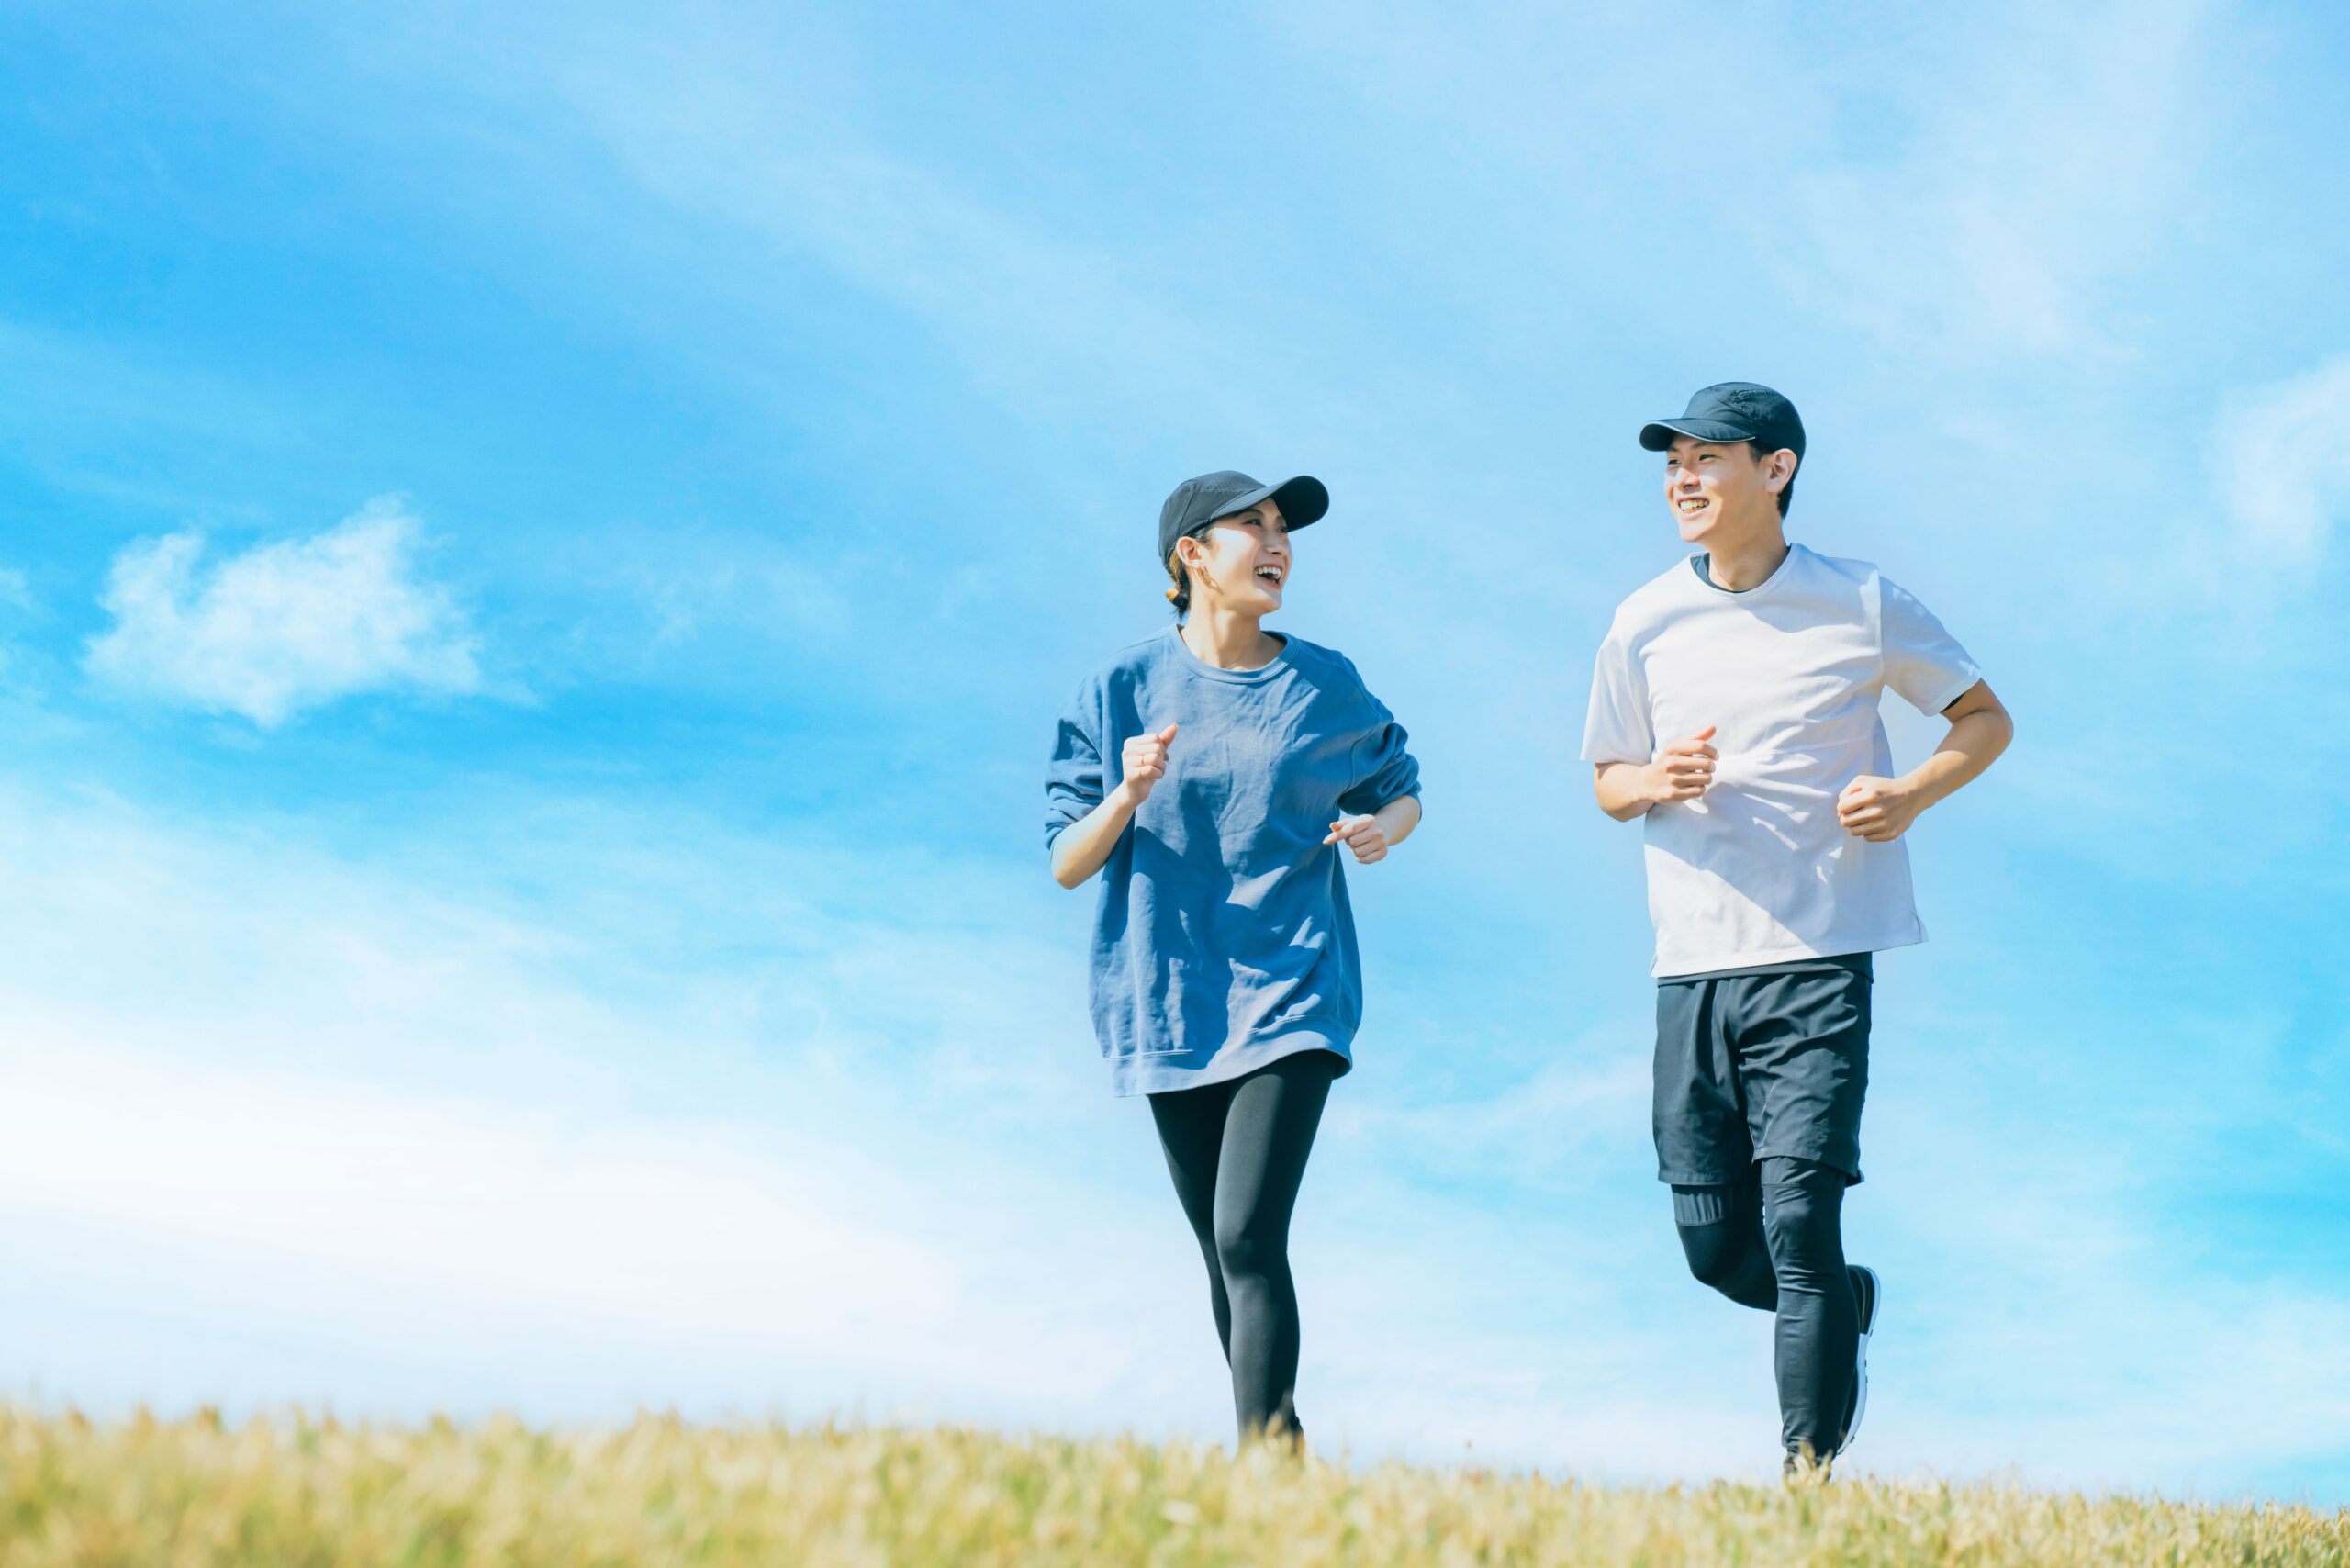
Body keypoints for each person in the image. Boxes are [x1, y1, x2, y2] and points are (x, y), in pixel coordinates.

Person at [1581, 384, 2012, 1474]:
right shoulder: (1642, 619)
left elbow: (1982, 716)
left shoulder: (1859, 600)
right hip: (1690, 966)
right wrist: (1652, 779)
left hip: (1819, 955)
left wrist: (1910, 793)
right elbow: (1606, 780)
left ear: (1774, 470)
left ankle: (1806, 1488)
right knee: (1715, 1249)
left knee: (1798, 1228)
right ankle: (1845, 1305)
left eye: (1704, 457)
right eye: (1670, 461)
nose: (1680, 479)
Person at [1045, 469, 1423, 1450]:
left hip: (1291, 989)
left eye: (1283, 529)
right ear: (1191, 557)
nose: (1277, 542)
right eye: (1250, 526)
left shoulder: (1323, 682)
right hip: (1166, 999)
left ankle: (1259, 1466)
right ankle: (1283, 1456)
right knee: (1223, 1255)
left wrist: (1384, 826)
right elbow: (1065, 862)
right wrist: (1124, 795)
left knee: (1250, 1235)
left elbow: (1403, 783)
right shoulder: (1118, 689)